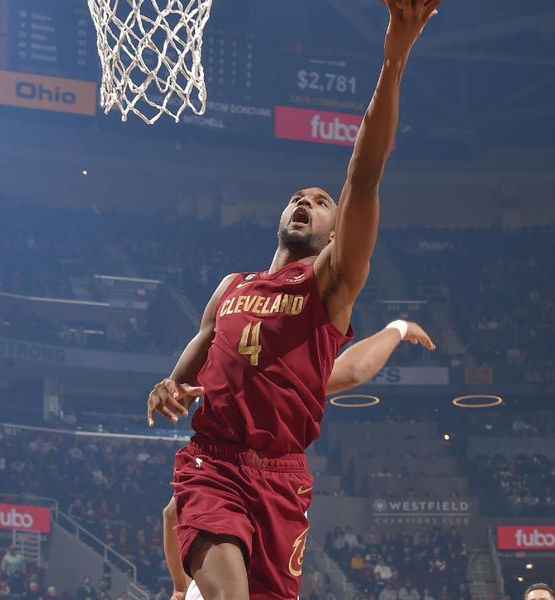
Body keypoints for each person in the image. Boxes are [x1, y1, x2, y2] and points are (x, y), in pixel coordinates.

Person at [146, 1, 440, 598]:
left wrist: (394, 57)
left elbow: (365, 175)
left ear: (337, 231)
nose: (306, 201)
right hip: (215, 462)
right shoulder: (231, 287)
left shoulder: (328, 285)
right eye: (296, 197)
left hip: (282, 478)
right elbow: (194, 361)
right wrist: (167, 384)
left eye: (320, 201)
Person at [162, 319, 436, 600]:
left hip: (259, 475)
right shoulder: (283, 384)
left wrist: (179, 587)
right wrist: (398, 329)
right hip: (272, 480)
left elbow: (172, 513)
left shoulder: (250, 391)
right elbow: (353, 370)